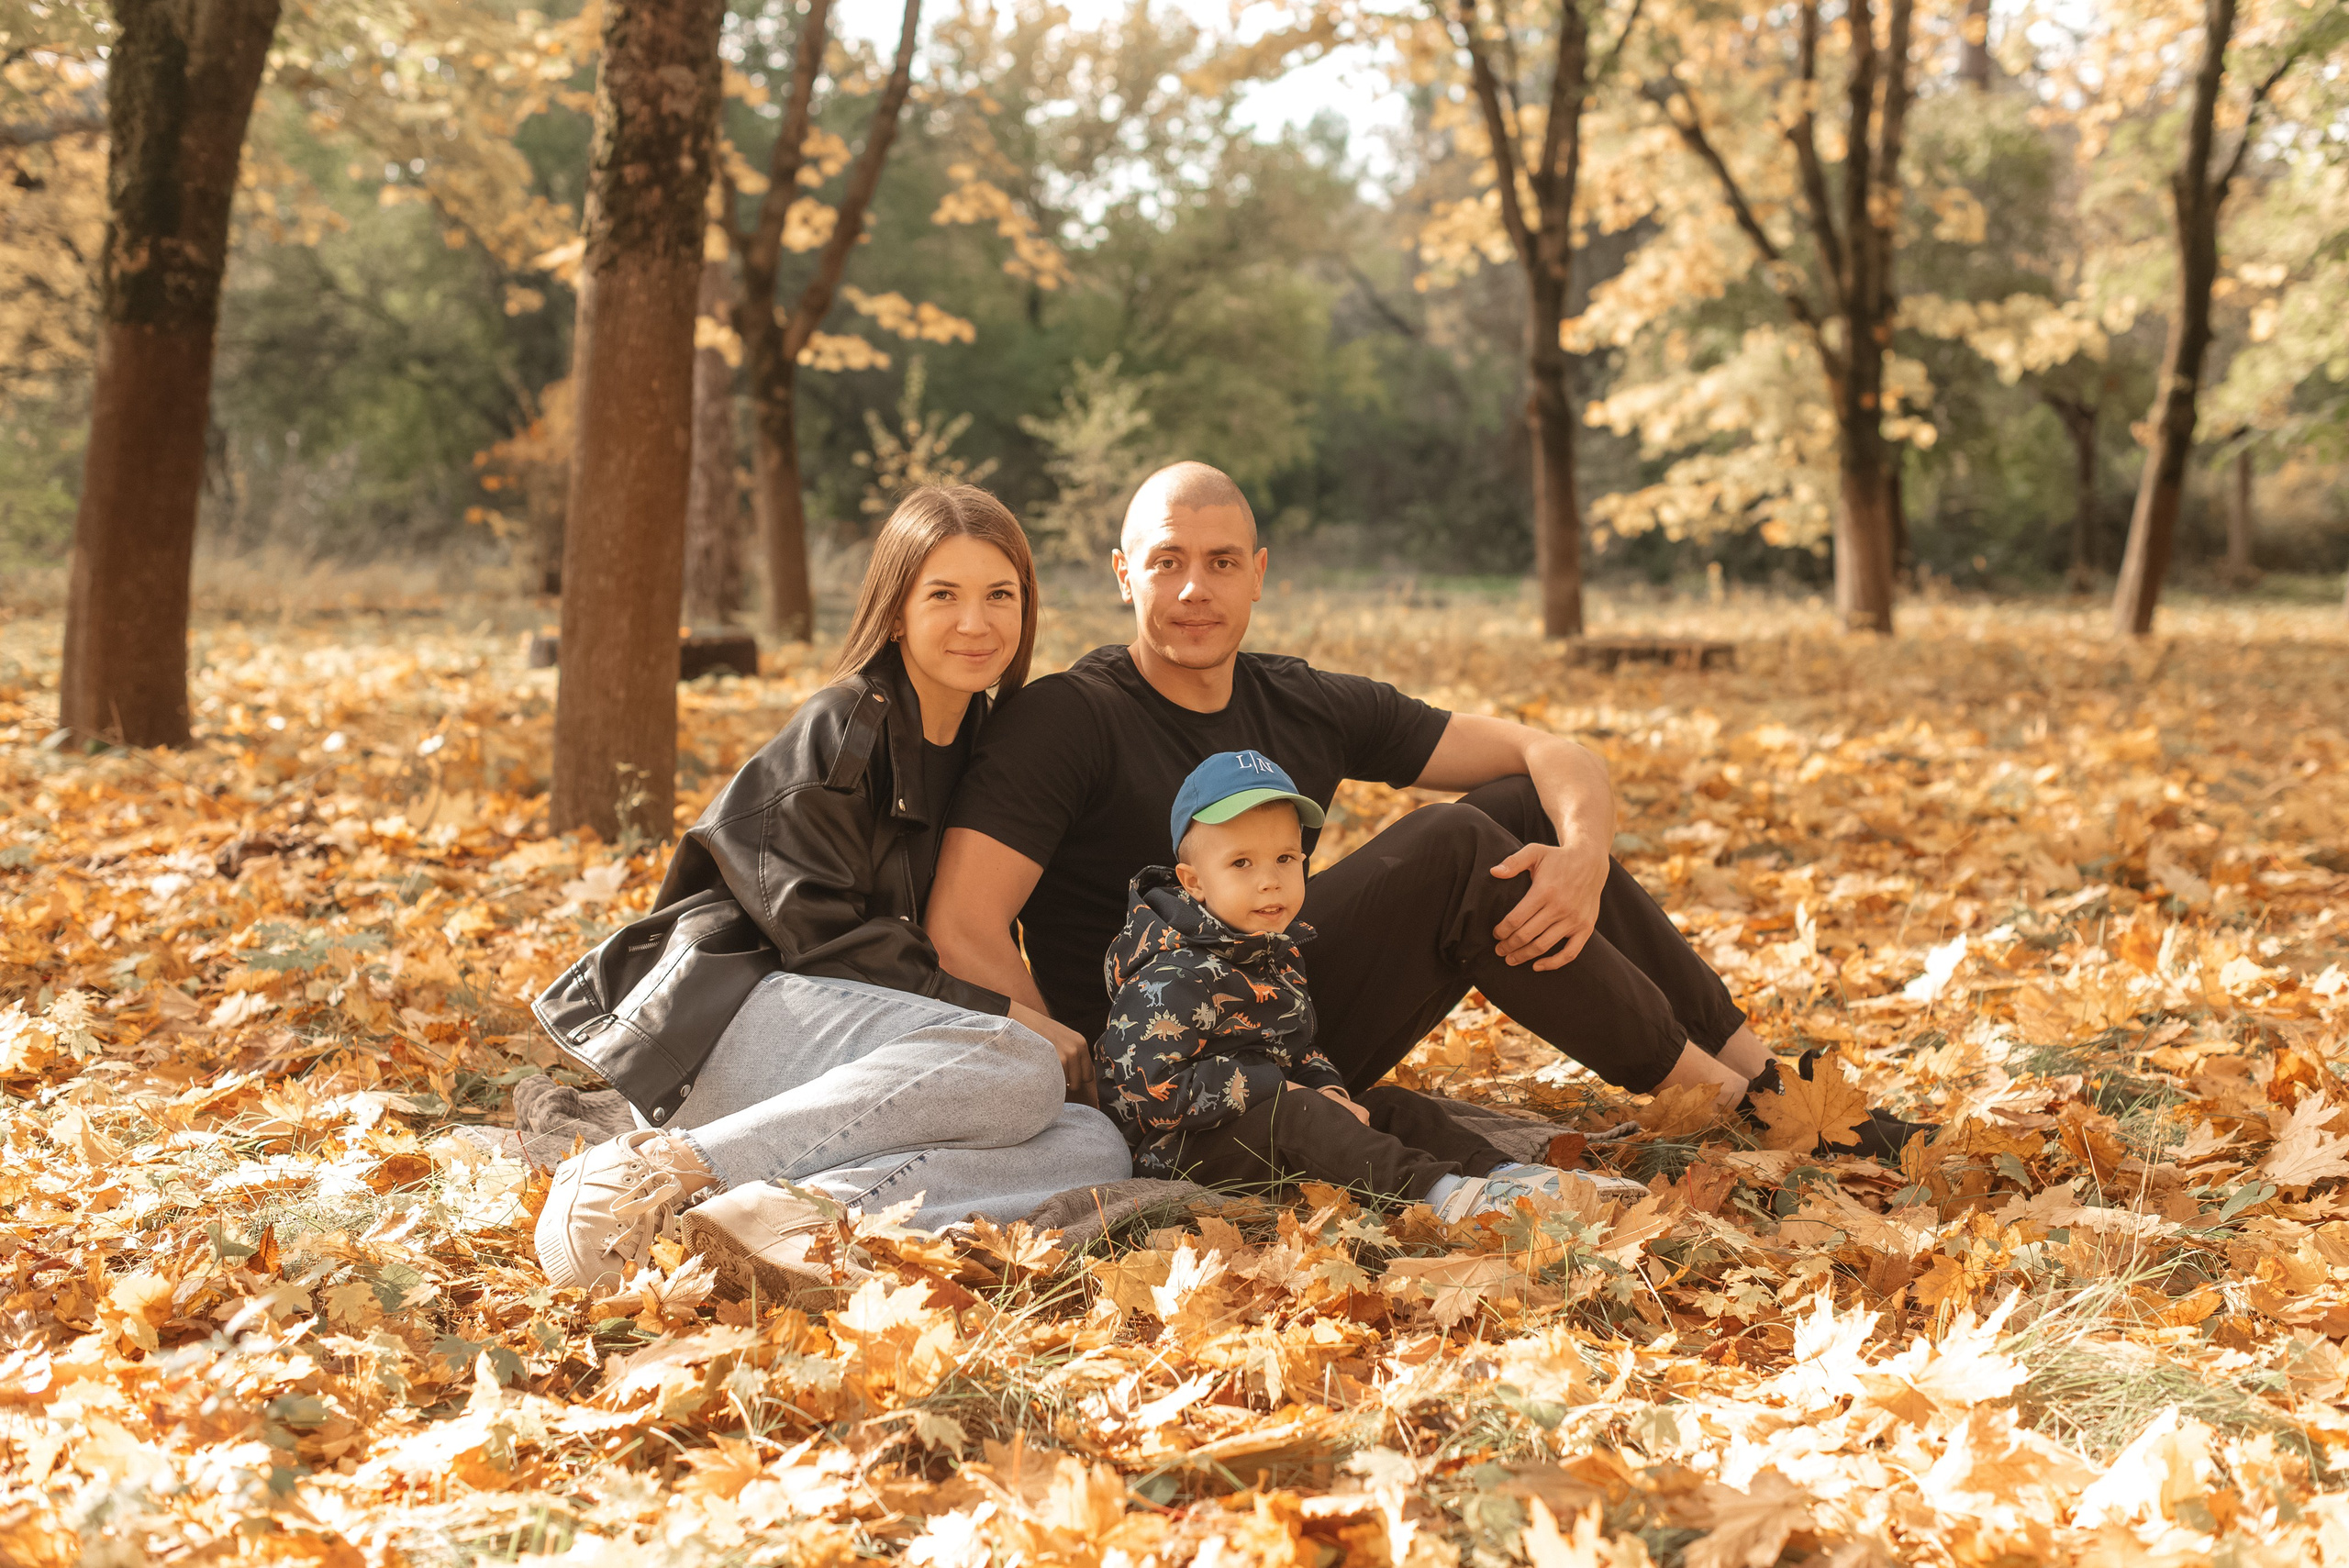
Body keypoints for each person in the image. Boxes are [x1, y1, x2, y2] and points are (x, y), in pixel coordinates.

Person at [929, 461, 1927, 1153]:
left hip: (1291, 1020)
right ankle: (1710, 1095)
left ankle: (1771, 1085)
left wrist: (1580, 853)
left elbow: (1551, 751)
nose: (1194, 587)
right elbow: (962, 923)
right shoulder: (1068, 714)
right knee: (1457, 844)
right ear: (1122, 573)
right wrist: (1080, 1072)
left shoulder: (1298, 698)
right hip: (1170, 1063)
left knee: (1515, 807)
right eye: (1167, 560)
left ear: (1259, 573)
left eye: (1222, 561)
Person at [532, 484, 1131, 1296]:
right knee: (1018, 1061)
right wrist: (1017, 1019)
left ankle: (782, 1220)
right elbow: (826, 945)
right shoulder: (844, 730)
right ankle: (668, 1169)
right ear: (895, 611)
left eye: (1001, 595)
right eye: (943, 595)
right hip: (735, 1031)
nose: (976, 622)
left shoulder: (991, 745)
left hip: (863, 1073)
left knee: (1094, 1143)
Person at [1097, 750, 1652, 1218]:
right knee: (1304, 1116)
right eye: (1241, 863)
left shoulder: (1273, 950)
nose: (1270, 880)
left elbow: (1300, 1045)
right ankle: (1443, 1196)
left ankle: (1507, 1176)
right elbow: (1151, 1090)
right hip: (1186, 1149)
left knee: (1386, 1105)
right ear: (1193, 883)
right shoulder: (1170, 972)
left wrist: (1328, 1085)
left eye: (1286, 858)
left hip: (1279, 1119)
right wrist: (1282, 1089)